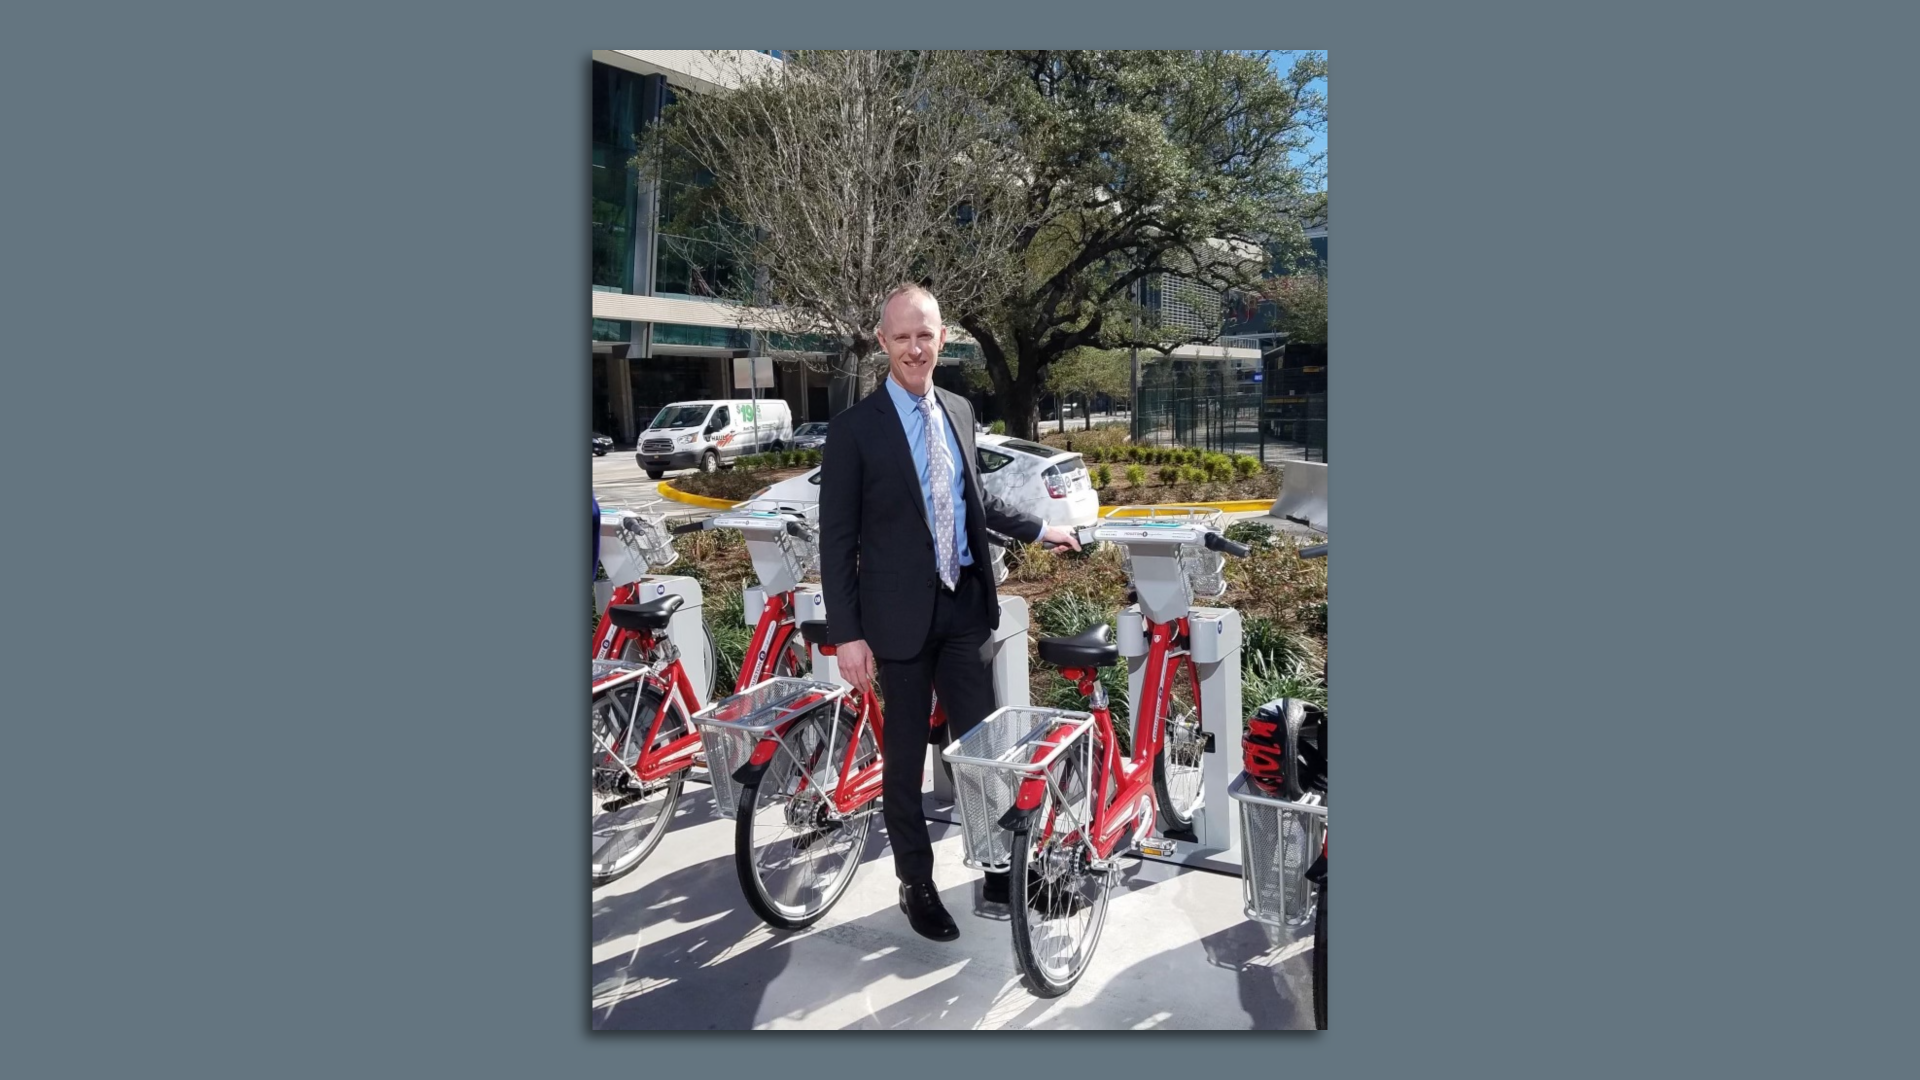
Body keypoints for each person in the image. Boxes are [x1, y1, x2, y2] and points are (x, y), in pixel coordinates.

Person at [817, 283, 1082, 942]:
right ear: (884, 342)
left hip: (963, 608)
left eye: (925, 335)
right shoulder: (854, 429)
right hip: (897, 623)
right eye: (902, 337)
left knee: (985, 753)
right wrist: (848, 635)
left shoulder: (959, 409)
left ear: (942, 338)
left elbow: (975, 498)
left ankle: (999, 870)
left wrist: (1041, 529)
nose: (915, 348)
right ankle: (917, 883)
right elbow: (836, 541)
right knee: (905, 762)